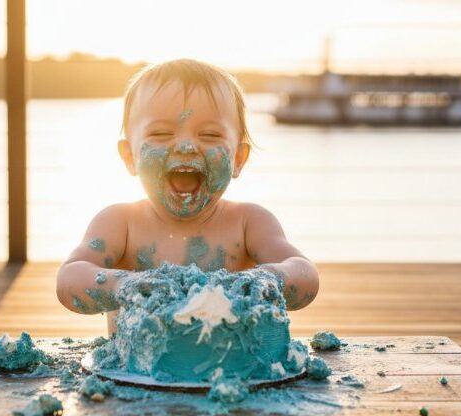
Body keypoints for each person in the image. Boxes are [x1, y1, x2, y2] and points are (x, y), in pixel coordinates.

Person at [56, 58, 320, 333]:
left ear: (238, 158)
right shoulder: (120, 223)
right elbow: (69, 279)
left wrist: (267, 279)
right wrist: (124, 285)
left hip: (234, 373)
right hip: (134, 373)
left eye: (209, 134)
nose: (186, 145)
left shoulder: (249, 223)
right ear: (129, 157)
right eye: (160, 133)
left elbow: (305, 275)